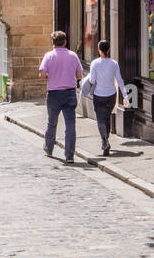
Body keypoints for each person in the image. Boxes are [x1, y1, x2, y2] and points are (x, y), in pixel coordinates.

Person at [38, 30, 84, 163]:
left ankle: (49, 147)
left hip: (53, 94)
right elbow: (79, 75)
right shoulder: (73, 55)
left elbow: (41, 75)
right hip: (69, 93)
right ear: (65, 42)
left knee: (52, 122)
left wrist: (50, 75)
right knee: (70, 125)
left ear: (52, 43)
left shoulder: (48, 56)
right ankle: (69, 155)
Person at [86, 40, 129, 156]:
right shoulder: (114, 63)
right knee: (107, 118)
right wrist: (125, 95)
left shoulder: (95, 63)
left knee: (100, 119)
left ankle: (105, 141)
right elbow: (120, 80)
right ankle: (105, 139)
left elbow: (92, 80)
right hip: (111, 95)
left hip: (99, 95)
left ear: (99, 50)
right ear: (108, 50)